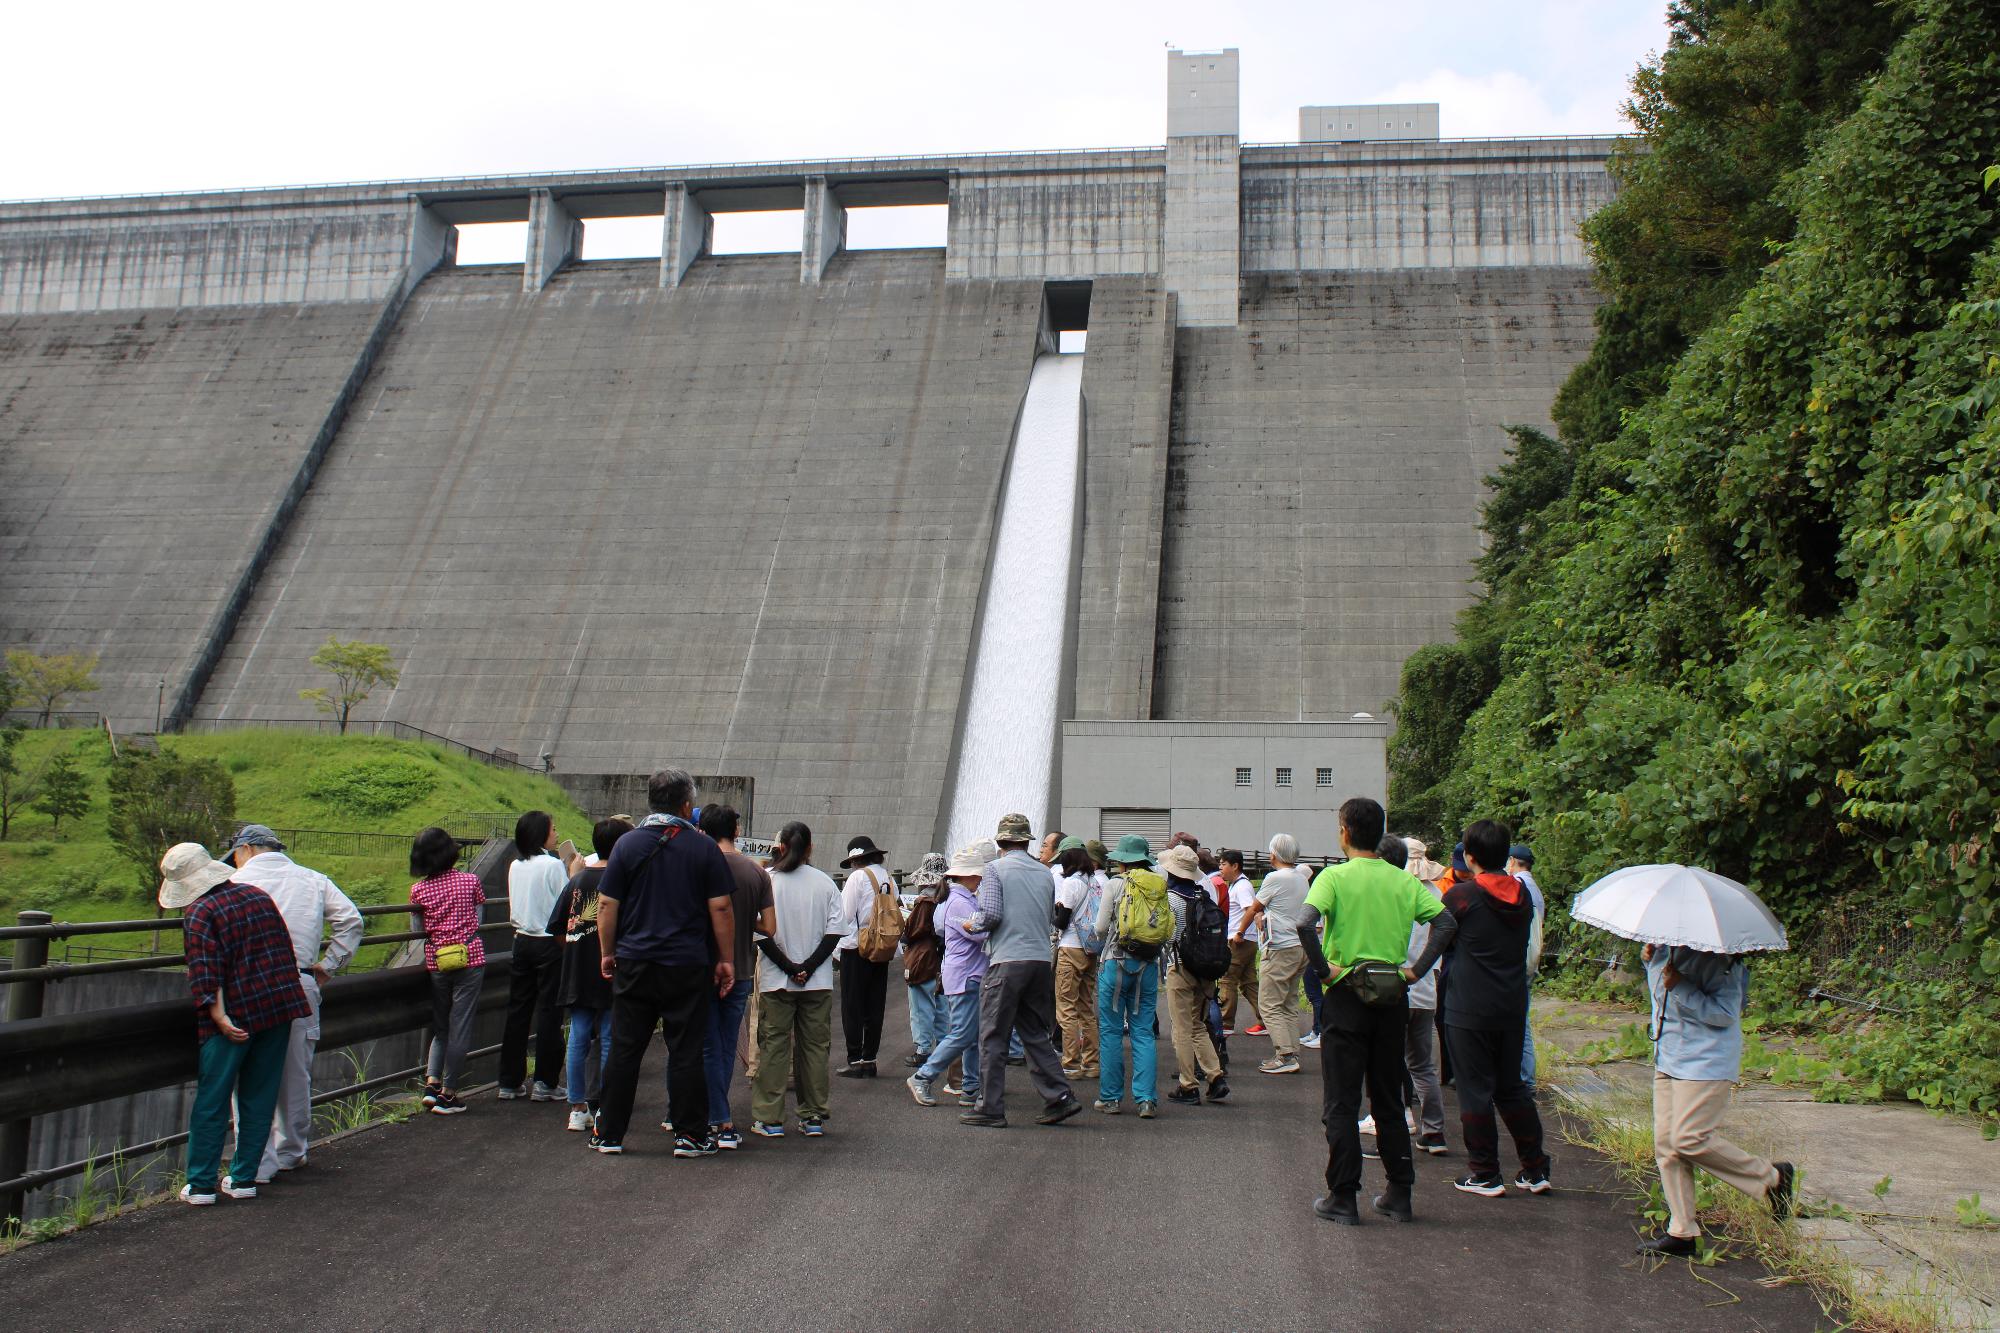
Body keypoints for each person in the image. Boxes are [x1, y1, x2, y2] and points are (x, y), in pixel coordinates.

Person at [1298, 798, 1456, 1225]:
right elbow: (1446, 924)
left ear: (1345, 831)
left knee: (1342, 1101)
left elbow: (1304, 922)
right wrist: (1414, 972)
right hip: (1392, 996)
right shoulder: (1403, 882)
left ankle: (1343, 1196)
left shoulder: (1334, 877)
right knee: (1388, 1098)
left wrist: (1325, 969)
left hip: (1345, 994)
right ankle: (1399, 1193)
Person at [591, 768, 735, 1158]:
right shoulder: (703, 848)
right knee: (686, 1049)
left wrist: (608, 951)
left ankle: (609, 1133)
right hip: (686, 964)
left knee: (624, 1048)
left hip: (635, 961)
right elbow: (720, 907)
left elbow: (606, 904)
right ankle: (689, 1135)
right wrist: (725, 959)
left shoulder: (627, 845)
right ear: (688, 805)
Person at [162, 842, 312, 1205]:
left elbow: (205, 973)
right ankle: (244, 1178)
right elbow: (280, 952)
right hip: (277, 1008)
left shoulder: (200, 912)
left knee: (212, 1101)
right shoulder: (257, 896)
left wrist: (220, 1017)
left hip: (235, 1016)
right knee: (259, 1096)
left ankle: (200, 1186)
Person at [223, 824, 362, 1182]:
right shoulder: (313, 879)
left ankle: (256, 1160)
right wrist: (329, 965)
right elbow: (350, 920)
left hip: (247, 985)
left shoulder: (235, 882)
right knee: (295, 1071)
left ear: (247, 849)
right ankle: (292, 1151)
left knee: (248, 1074)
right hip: (299, 980)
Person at [1638, 942, 1795, 1257]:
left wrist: (1681, 986)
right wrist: (1651, 960)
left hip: (1705, 1062)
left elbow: (1725, 1014)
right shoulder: (1665, 948)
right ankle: (1682, 1231)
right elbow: (1662, 995)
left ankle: (1772, 1178)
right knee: (1667, 1147)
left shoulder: (1719, 959)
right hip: (1669, 1056)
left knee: (1687, 1139)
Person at [1438, 820, 1552, 1198]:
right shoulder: (1523, 896)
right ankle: (1534, 1168)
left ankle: (1485, 1172)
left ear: (1469, 857)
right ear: (1507, 855)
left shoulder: (1462, 897)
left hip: (1468, 1005)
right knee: (1510, 1087)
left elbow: (1439, 937)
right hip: (1511, 1003)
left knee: (1474, 1090)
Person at [960, 814, 1081, 1129]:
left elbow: (992, 915)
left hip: (1007, 962)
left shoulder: (994, 869)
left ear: (1000, 841)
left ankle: (989, 1107)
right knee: (1033, 1033)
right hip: (1040, 961)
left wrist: (972, 923)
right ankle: (1059, 1096)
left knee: (992, 1035)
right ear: (1027, 841)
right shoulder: (1043, 873)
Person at [750, 821, 845, 1138]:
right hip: (817, 982)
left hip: (778, 980)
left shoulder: (767, 881)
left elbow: (760, 935)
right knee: (815, 1048)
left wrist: (790, 967)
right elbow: (834, 934)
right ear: (810, 848)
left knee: (774, 1046)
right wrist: (808, 966)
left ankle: (770, 1118)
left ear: (780, 848)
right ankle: (813, 1115)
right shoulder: (826, 883)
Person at [692, 805, 774, 1150]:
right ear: (736, 831)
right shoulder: (756, 872)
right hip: (740, 968)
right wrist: (743, 921)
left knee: (703, 1044)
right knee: (725, 1045)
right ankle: (719, 1118)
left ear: (703, 831)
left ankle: (708, 1116)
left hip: (700, 967)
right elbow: (769, 927)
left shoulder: (695, 867)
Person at [548, 817, 630, 1133]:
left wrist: (575, 947)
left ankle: (577, 1106)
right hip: (614, 968)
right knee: (610, 1036)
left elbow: (557, 928)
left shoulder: (577, 880)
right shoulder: (624, 881)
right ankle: (605, 1106)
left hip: (577, 969)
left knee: (579, 1034)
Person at [907, 840, 996, 1109]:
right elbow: (980, 932)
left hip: (962, 972)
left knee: (969, 1033)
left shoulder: (952, 899)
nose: (981, 878)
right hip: (967, 974)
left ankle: (970, 1087)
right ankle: (923, 1076)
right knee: (963, 1034)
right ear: (969, 874)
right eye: (979, 874)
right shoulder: (960, 902)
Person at [410, 827, 486, 1115]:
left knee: (441, 1026)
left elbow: (417, 931)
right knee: (460, 1026)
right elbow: (478, 920)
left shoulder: (419, 890)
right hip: (470, 958)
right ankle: (449, 1094)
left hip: (437, 961)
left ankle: (431, 1083)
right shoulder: (470, 881)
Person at [500, 811, 575, 1102]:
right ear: (541, 834)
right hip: (548, 944)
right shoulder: (553, 865)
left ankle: (509, 1081)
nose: (556, 834)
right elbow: (565, 903)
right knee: (549, 1012)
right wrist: (572, 874)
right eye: (553, 829)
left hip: (521, 942)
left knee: (518, 1011)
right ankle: (545, 1081)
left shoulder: (515, 865)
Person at [1091, 835, 1167, 1118]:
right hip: (1147, 965)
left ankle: (1110, 1098)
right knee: (1143, 1031)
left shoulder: (1114, 884)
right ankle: (1146, 1099)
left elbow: (1100, 928)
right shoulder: (1159, 885)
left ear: (1122, 860)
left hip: (1116, 963)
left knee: (1111, 1031)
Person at [1159, 843, 1230, 1106]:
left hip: (1180, 968)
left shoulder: (1172, 899)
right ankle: (1215, 1076)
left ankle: (1188, 1085)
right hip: (1205, 970)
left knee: (1181, 1029)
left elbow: (1168, 936)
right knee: (1198, 1025)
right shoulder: (1203, 897)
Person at [1238, 833, 1311, 1074]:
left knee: (1269, 1004)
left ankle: (1285, 1055)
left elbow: (1254, 908)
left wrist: (1240, 932)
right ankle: (1292, 1052)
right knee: (1289, 1002)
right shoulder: (1302, 878)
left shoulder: (1274, 877)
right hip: (1301, 946)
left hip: (1280, 947)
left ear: (1274, 854)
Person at [1394, 836, 1449, 1155]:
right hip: (1427, 988)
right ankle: (1434, 1130)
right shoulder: (1437, 895)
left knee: (1392, 1060)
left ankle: (1400, 1119)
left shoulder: (1397, 893)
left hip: (1397, 987)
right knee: (1422, 1065)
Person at [834, 834, 892, 1078]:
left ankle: (854, 1059)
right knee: (875, 1005)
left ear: (856, 859)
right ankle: (870, 1058)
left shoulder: (858, 877)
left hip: (857, 947)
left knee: (852, 1005)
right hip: (881, 947)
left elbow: (845, 914)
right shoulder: (887, 877)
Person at [1050, 838, 1103, 1079]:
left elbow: (1062, 922)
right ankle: (1091, 1063)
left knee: (1066, 1007)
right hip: (1091, 948)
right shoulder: (1095, 882)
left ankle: (1070, 1063)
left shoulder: (1071, 883)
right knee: (1086, 1006)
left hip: (1071, 946)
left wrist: (1054, 911)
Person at [901, 852, 950, 1069]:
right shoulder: (948, 897)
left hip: (922, 958)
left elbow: (913, 932)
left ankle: (922, 1049)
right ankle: (943, 1047)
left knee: (920, 1005)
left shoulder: (925, 903)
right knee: (941, 1004)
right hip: (942, 958)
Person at [1508, 844, 1546, 1087]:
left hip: (1520, 961)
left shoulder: (1520, 886)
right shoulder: (1536, 889)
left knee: (1520, 1024)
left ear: (1512, 861)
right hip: (1530, 961)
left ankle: (1525, 1079)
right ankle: (1524, 1077)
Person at [1215, 849, 1260, 1036]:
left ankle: (1225, 1023)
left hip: (1239, 940)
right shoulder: (1235, 885)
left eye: (1223, 864)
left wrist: (1240, 932)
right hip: (1246, 940)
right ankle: (1265, 1019)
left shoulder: (1242, 886)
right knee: (1248, 982)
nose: (1220, 868)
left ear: (1235, 866)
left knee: (1227, 979)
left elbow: (1250, 909)